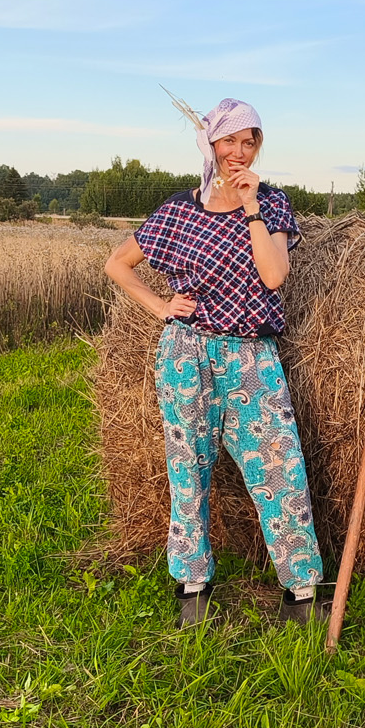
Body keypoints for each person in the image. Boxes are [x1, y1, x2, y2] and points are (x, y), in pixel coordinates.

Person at [104, 99, 326, 628]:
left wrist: (250, 207)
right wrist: (160, 306)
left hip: (251, 353)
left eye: (250, 142)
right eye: (230, 141)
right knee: (189, 467)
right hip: (186, 353)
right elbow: (117, 263)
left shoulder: (270, 204)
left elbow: (273, 277)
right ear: (211, 143)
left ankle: (300, 588)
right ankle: (193, 581)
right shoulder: (179, 211)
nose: (239, 152)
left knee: (280, 464)